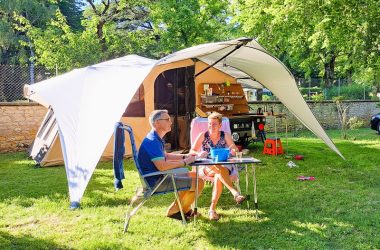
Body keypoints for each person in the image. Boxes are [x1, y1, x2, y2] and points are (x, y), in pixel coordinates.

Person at [138, 109, 204, 221]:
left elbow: (166, 156)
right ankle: (178, 210)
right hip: (156, 181)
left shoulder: (155, 138)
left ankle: (181, 209)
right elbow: (162, 166)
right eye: (167, 119)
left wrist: (187, 155)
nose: (171, 122)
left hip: (159, 176)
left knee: (193, 175)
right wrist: (185, 162)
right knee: (199, 182)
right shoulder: (152, 141)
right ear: (157, 123)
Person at [190, 112, 246, 221]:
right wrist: (199, 154)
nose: (211, 126)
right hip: (207, 165)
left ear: (220, 125)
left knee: (218, 175)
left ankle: (212, 210)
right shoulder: (203, 135)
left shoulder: (225, 135)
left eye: (214, 124)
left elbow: (234, 149)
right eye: (210, 124)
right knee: (218, 169)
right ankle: (234, 193)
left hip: (224, 165)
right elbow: (192, 151)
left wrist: (233, 151)